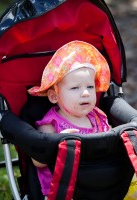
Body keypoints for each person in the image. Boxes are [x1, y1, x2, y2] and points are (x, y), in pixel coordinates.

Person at [28, 40, 111, 197]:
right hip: (62, 190)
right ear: (54, 96)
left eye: (90, 86)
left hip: (98, 185)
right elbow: (38, 161)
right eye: (75, 88)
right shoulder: (50, 125)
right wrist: (58, 144)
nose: (86, 93)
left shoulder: (98, 117)